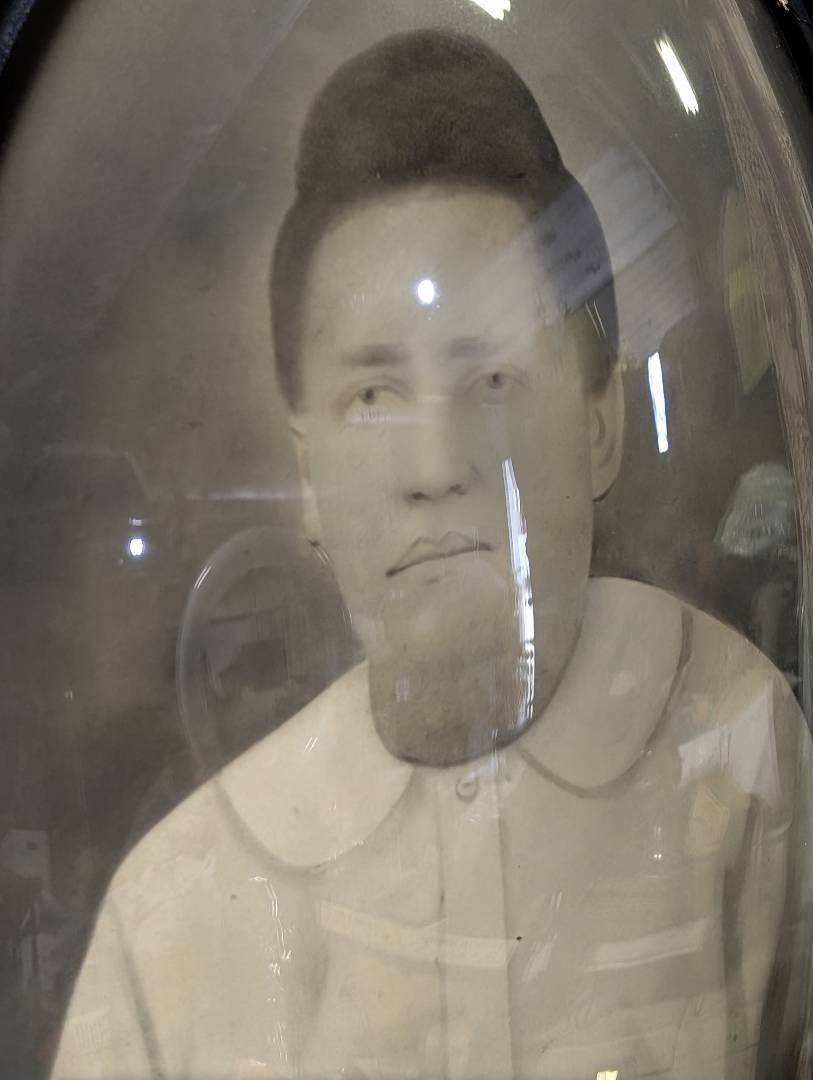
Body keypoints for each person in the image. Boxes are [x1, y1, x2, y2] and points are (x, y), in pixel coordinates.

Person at [51, 30, 811, 1080]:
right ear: (306, 478)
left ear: (600, 423)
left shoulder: (738, 741)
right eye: (373, 396)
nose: (435, 466)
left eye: (491, 379)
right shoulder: (167, 919)